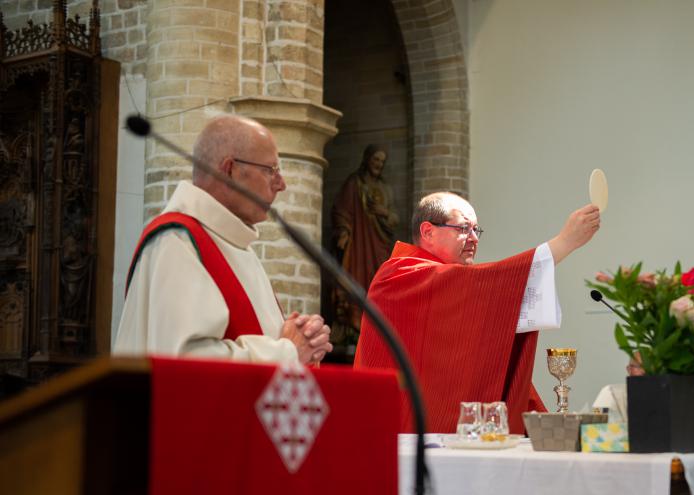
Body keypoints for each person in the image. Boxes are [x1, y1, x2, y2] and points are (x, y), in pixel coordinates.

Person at [354, 191, 601, 434]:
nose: (474, 238)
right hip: (396, 429)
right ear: (428, 231)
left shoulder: (447, 283)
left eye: (476, 230)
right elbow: (486, 285)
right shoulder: (398, 275)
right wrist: (563, 243)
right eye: (463, 228)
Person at [114, 115, 332, 364]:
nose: (281, 184)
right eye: (270, 171)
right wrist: (288, 351)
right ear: (230, 170)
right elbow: (187, 364)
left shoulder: (235, 245)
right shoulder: (177, 241)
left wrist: (303, 340)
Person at [330, 145, 398, 346]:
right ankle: (352, 329)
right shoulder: (354, 183)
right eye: (376, 159)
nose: (378, 164)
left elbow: (395, 218)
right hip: (358, 243)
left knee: (378, 283)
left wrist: (383, 212)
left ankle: (374, 331)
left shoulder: (386, 188)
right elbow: (341, 210)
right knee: (356, 279)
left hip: (379, 242)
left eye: (382, 161)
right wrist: (343, 231)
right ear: (367, 159)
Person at [591, 353, 645, 422]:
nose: (643, 371)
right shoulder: (609, 391)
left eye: (647, 367)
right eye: (639, 366)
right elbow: (596, 419)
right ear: (629, 369)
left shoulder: (659, 395)